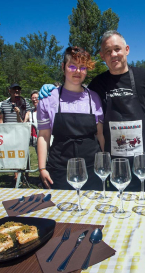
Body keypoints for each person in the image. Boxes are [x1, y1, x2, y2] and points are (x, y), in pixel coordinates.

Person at [39, 30, 145, 192]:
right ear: (102, 56)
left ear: (127, 49)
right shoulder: (97, 84)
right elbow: (74, 91)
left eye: (117, 49)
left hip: (144, 157)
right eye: (108, 51)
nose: (113, 54)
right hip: (113, 160)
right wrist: (53, 88)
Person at [37, 46, 104, 190]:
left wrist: (105, 162)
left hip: (92, 169)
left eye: (83, 67)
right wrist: (42, 168)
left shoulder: (94, 97)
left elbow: (100, 134)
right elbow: (43, 136)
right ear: (63, 67)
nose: (77, 71)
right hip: (59, 169)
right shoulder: (48, 98)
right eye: (72, 66)